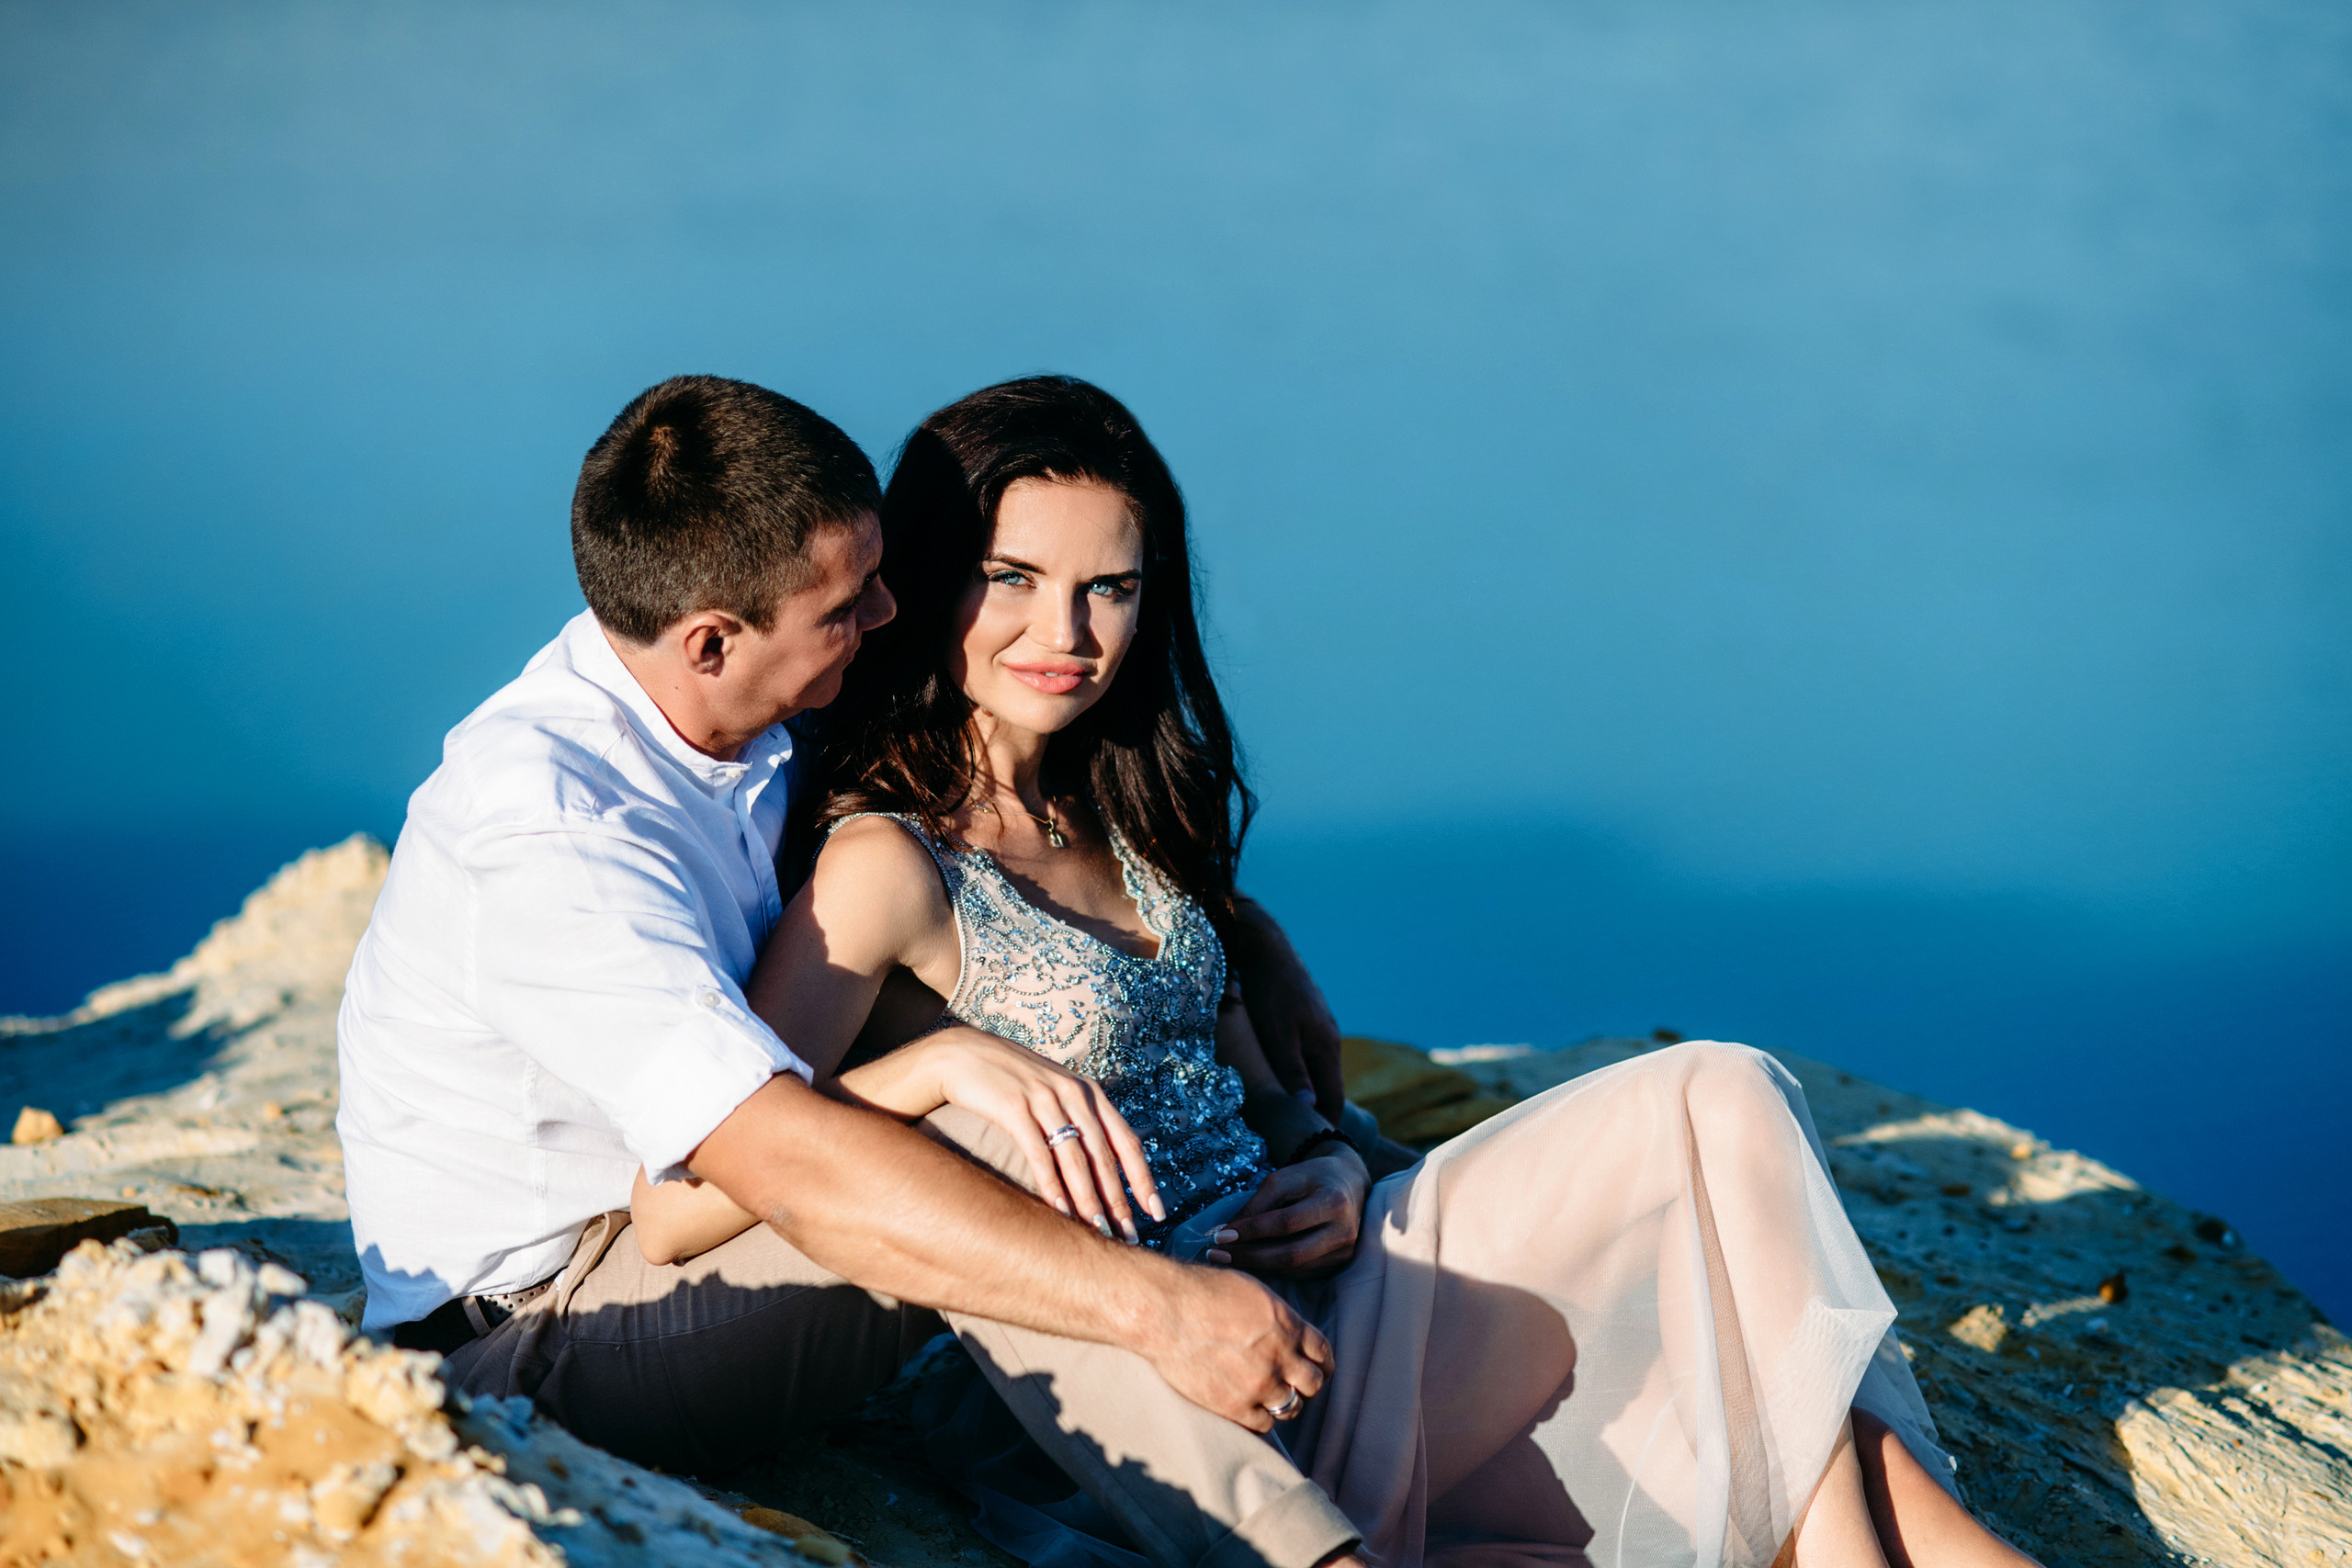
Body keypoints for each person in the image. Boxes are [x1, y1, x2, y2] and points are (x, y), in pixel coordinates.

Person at [633, 376, 2043, 1568]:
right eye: (1013, 581)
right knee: (1719, 1104)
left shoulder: (1126, 810)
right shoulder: (886, 864)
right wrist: (933, 1064)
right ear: (927, 582)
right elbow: (688, 1199)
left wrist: (1335, 1165)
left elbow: (1277, 1103)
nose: (1064, 637)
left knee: (1796, 1407)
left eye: (1109, 589)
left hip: (1346, 1299)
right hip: (1187, 1383)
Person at [335, 376, 1372, 1568]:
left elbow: (996, 811)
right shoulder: (552, 833)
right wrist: (1157, 1304)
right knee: (989, 1151)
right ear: (713, 639)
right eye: (848, 603)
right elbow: (761, 1165)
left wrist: (1238, 927)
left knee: (990, 1124)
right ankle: (1307, 1556)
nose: (890, 611)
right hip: (545, 1334)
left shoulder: (738, 702)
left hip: (697, 1243)